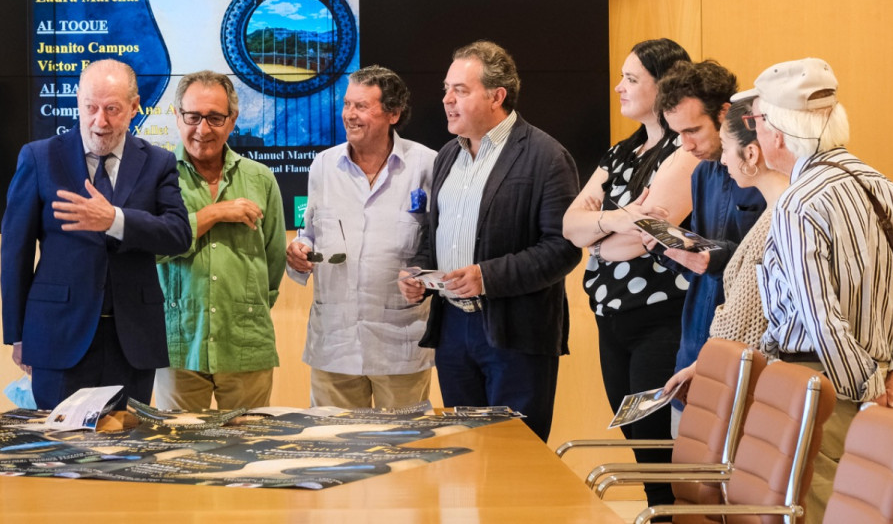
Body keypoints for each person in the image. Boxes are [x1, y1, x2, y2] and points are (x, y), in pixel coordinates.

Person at [747, 57, 893, 521]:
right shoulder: (887, 186)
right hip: (889, 385)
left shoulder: (797, 202)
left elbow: (820, 313)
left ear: (777, 131)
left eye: (756, 121)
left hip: (825, 387)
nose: (755, 133)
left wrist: (868, 393)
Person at [400, 41, 579, 440]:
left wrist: (487, 276)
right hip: (452, 332)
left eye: (460, 90)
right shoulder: (448, 155)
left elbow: (562, 249)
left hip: (515, 333)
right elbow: (434, 236)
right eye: (447, 89)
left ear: (497, 96)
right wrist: (418, 272)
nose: (446, 99)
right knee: (465, 453)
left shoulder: (546, 157)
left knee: (517, 457)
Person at [1, 59, 192, 410]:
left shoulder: (158, 162)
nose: (99, 122)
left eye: (112, 109)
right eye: (89, 107)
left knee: (128, 453)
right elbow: (16, 252)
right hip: (58, 335)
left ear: (135, 107)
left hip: (133, 340)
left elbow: (179, 234)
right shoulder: (41, 157)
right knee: (61, 454)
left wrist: (115, 219)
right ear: (77, 101)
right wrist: (17, 334)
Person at [561, 38, 695, 504]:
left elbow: (648, 234)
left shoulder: (686, 148)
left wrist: (598, 238)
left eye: (631, 79)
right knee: (638, 443)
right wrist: (614, 222)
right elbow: (569, 226)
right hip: (610, 318)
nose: (618, 87)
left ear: (665, 86)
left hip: (661, 318)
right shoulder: (622, 152)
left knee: (659, 447)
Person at [288, 66, 436, 409]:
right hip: (333, 344)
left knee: (403, 454)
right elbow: (310, 232)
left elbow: (439, 244)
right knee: (332, 453)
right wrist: (301, 249)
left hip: (400, 344)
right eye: (347, 104)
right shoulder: (323, 166)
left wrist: (423, 276)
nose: (349, 115)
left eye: (361, 107)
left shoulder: (426, 165)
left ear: (394, 113)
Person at [155, 71, 286, 411]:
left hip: (246, 344)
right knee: (180, 457)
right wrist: (213, 214)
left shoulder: (261, 179)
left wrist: (245, 313)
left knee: (249, 455)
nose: (202, 129)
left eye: (215, 117)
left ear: (232, 121)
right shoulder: (155, 176)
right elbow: (152, 250)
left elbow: (273, 265)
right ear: (177, 116)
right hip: (178, 345)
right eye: (193, 117)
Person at [653, 59, 765, 432]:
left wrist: (713, 257)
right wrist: (667, 247)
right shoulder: (702, 172)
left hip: (745, 349)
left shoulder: (766, 172)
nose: (686, 145)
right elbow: (703, 250)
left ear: (725, 113)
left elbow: (768, 260)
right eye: (678, 134)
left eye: (693, 131)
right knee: (686, 480)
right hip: (695, 342)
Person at [661, 97, 789, 395]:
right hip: (707, 350)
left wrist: (704, 363)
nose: (723, 160)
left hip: (744, 370)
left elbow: (745, 319)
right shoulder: (703, 174)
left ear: (752, 152)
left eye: (726, 147)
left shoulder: (781, 219)